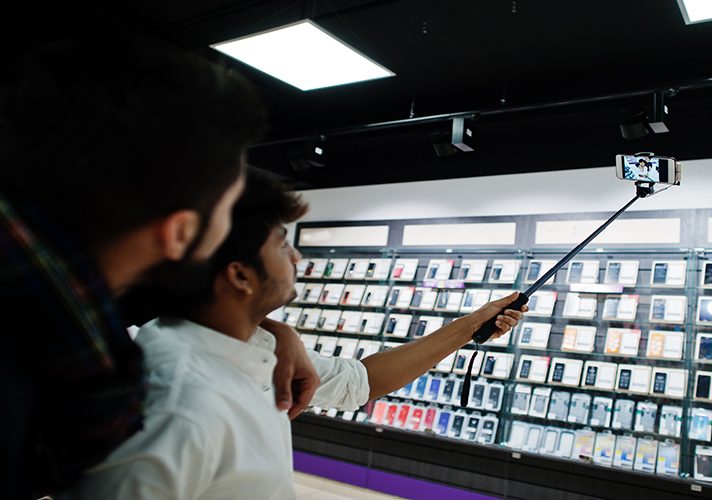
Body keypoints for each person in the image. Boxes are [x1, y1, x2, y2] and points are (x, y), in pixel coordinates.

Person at [63, 171, 527, 499]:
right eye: (282, 243)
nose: (298, 257)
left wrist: (472, 324)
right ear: (240, 275)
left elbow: (360, 381)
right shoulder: (176, 406)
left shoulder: (262, 349)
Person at [0, 35, 319, 499]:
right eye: (229, 209)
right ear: (179, 234)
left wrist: (273, 331)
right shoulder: (35, 383)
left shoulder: (55, 304)